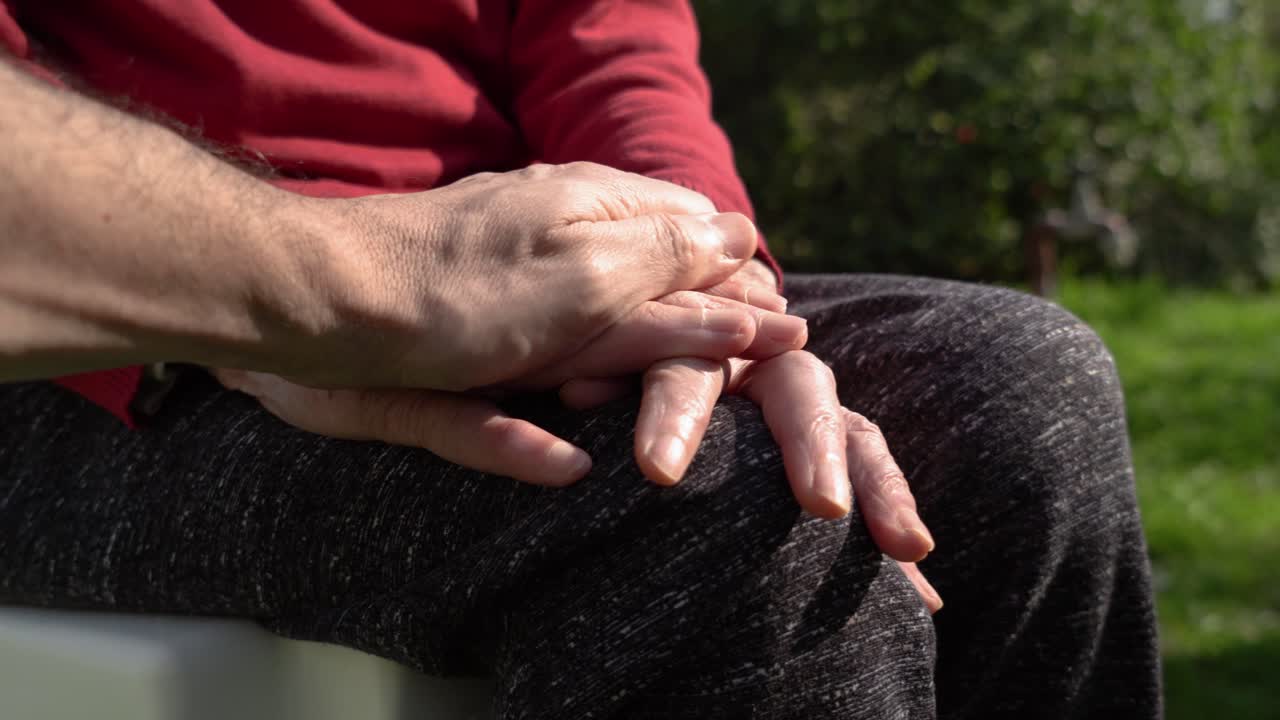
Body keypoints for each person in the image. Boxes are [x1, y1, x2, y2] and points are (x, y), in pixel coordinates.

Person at [0, 1, 1161, 718]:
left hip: (501, 258)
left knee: (1018, 387)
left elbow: (611, 39)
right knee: (724, 500)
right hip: (102, 328)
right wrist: (315, 282)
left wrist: (692, 268)